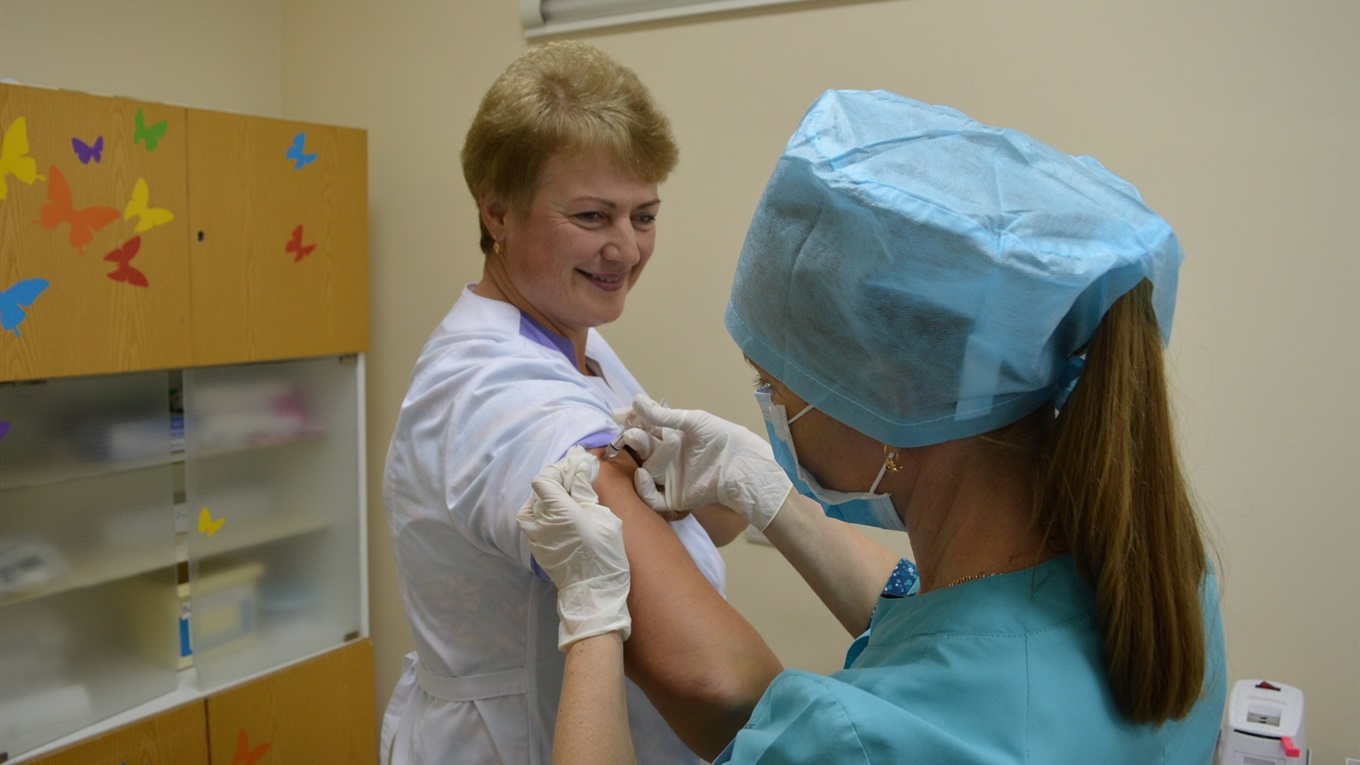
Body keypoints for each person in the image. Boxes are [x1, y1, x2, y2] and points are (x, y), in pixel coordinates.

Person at [516, 89, 1228, 764]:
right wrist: (767, 491)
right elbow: (956, 631)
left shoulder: (850, 740)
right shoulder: (1160, 592)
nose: (768, 407)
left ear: (890, 395)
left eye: (774, 385)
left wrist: (593, 620)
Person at [380, 40, 775, 765]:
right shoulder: (496, 394)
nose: (625, 249)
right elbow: (714, 677)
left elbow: (691, 527)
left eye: (644, 216)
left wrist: (727, 487)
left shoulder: (574, 341)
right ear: (497, 211)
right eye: (593, 217)